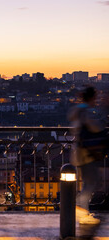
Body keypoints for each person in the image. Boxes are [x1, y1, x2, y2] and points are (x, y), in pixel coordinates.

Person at [68, 86, 108, 225]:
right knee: (91, 183)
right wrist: (104, 115)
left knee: (88, 183)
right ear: (91, 98)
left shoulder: (78, 110)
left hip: (80, 152)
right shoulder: (85, 112)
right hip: (87, 153)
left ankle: (81, 210)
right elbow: (96, 127)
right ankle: (80, 209)